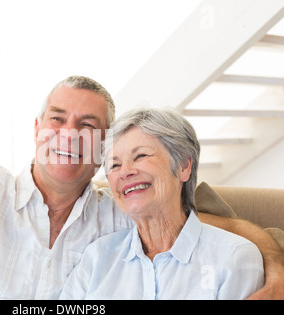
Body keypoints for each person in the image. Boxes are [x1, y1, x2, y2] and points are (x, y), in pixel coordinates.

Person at [0, 27, 283, 299]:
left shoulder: (122, 212)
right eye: (58, 120)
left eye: (87, 125)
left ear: (103, 147)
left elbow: (227, 231)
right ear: (38, 128)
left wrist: (277, 275)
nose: (67, 134)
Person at [60, 107, 264, 299]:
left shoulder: (234, 257)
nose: (125, 172)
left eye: (140, 156)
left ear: (184, 166)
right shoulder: (96, 257)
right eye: (115, 165)